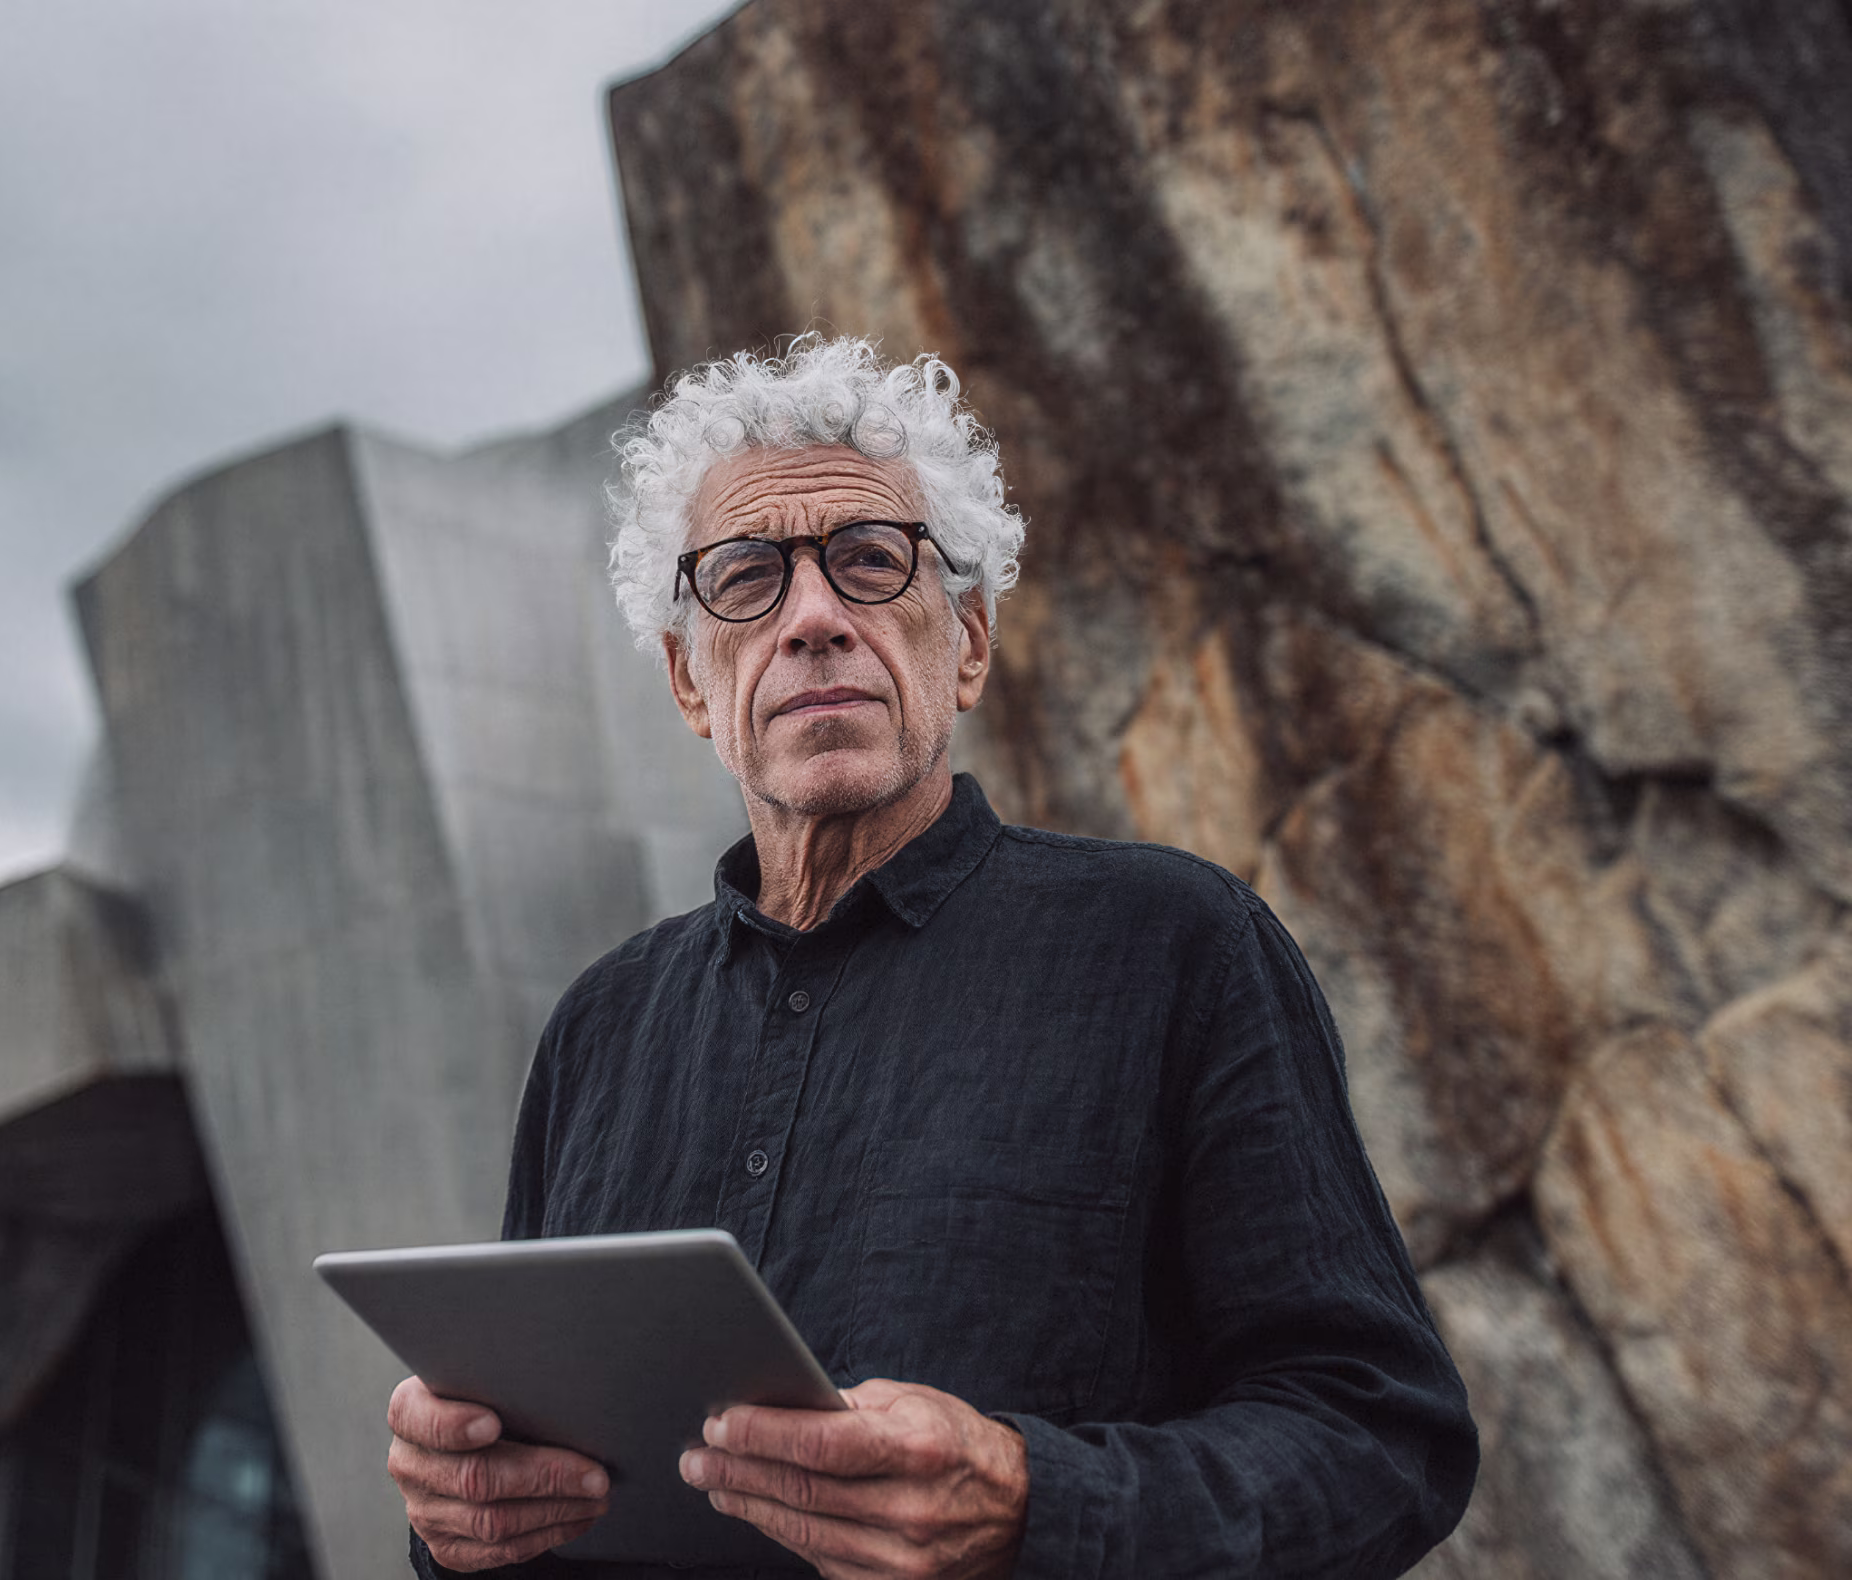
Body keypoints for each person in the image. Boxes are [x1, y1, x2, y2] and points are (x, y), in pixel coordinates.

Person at [385, 337, 1477, 1579]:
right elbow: (529, 1473)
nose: (811, 620)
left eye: (867, 561)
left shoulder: (1176, 946)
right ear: (693, 681)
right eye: (746, 577)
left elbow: (1385, 1440)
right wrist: (457, 1522)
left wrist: (1033, 1499)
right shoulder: (600, 1026)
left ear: (965, 642)